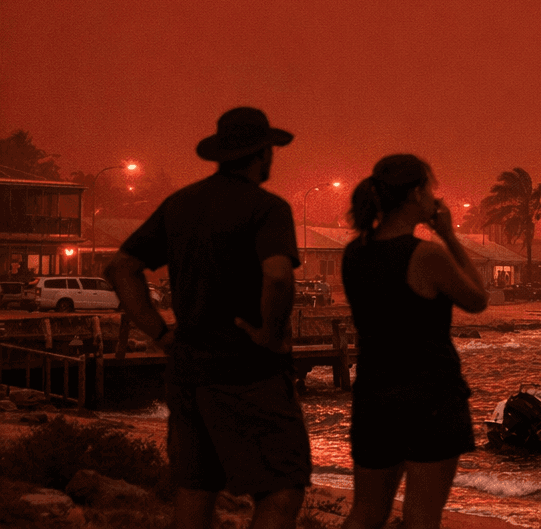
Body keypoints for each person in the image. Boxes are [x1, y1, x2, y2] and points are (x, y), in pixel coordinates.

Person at [106, 107, 310, 529]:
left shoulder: (181, 204)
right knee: (281, 488)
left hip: (186, 371)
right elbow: (276, 276)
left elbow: (122, 266)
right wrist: (269, 335)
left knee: (196, 490)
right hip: (248, 371)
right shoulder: (266, 208)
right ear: (263, 153)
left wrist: (160, 332)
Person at [340, 155, 488, 529]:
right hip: (429, 397)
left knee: (366, 512)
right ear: (416, 194)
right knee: (421, 516)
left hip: (374, 394)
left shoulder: (354, 254)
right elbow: (477, 298)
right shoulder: (426, 254)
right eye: (430, 189)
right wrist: (450, 235)